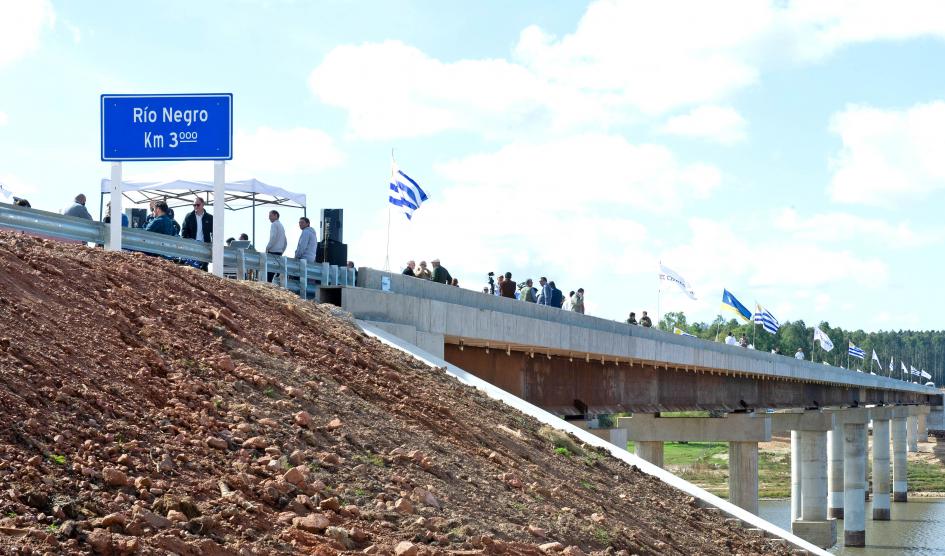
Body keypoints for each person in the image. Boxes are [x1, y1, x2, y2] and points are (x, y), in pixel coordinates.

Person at [182, 197, 213, 270]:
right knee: (190, 268)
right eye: (194, 205)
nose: (196, 207)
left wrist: (212, 245)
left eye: (198, 205)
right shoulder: (189, 216)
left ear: (203, 204)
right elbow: (184, 230)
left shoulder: (210, 217)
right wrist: (185, 243)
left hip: (205, 246)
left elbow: (214, 232)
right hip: (192, 245)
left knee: (204, 268)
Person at [265, 210, 287, 282]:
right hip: (279, 252)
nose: (269, 218)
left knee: (268, 275)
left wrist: (267, 247)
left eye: (270, 216)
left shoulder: (274, 224)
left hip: (273, 252)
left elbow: (273, 237)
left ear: (276, 215)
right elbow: (285, 242)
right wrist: (282, 251)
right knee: (273, 274)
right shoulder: (281, 226)